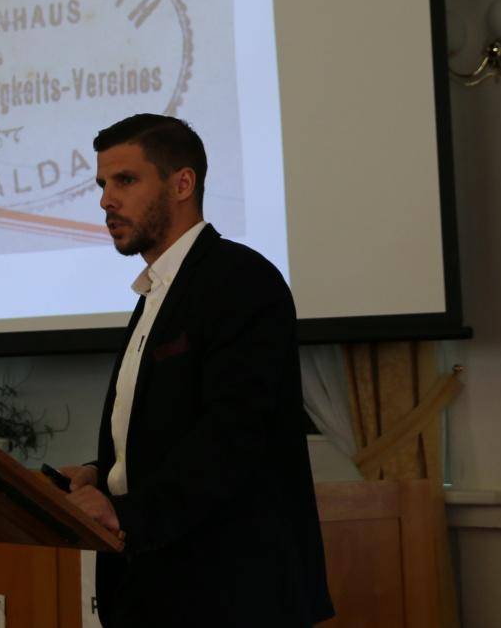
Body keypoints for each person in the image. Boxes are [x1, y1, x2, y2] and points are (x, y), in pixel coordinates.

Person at [59, 113, 333, 627]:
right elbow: (170, 426)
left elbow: (235, 432)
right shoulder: (156, 293)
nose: (106, 201)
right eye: (102, 185)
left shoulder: (240, 280)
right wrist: (105, 471)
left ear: (182, 184)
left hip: (229, 591)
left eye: (125, 180)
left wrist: (125, 513)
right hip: (156, 586)